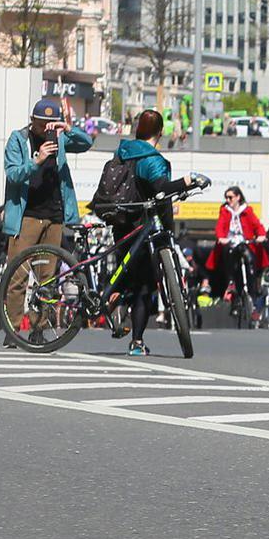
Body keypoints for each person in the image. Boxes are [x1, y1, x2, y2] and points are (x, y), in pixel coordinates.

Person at [2, 97, 94, 339]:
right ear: (32, 120)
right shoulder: (18, 139)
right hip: (26, 217)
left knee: (48, 278)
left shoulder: (59, 138)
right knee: (17, 276)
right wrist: (37, 160)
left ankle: (39, 329)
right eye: (43, 123)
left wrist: (68, 128)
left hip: (54, 216)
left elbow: (86, 143)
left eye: (51, 123)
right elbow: (13, 174)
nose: (47, 128)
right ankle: (12, 329)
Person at [112, 110, 201, 355]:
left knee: (123, 273)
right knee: (143, 286)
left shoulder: (122, 152)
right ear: (160, 132)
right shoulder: (152, 159)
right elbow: (162, 192)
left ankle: (114, 303)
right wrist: (187, 181)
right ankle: (137, 342)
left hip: (121, 222)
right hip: (143, 227)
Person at [208, 186, 269, 312]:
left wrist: (261, 235)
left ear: (238, 197)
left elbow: (257, 225)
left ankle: (252, 287)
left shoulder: (247, 210)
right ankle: (231, 283)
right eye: (226, 197)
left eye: (230, 197)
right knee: (229, 253)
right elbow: (220, 226)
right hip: (230, 243)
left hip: (244, 242)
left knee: (248, 256)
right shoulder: (225, 210)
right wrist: (221, 237)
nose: (228, 200)